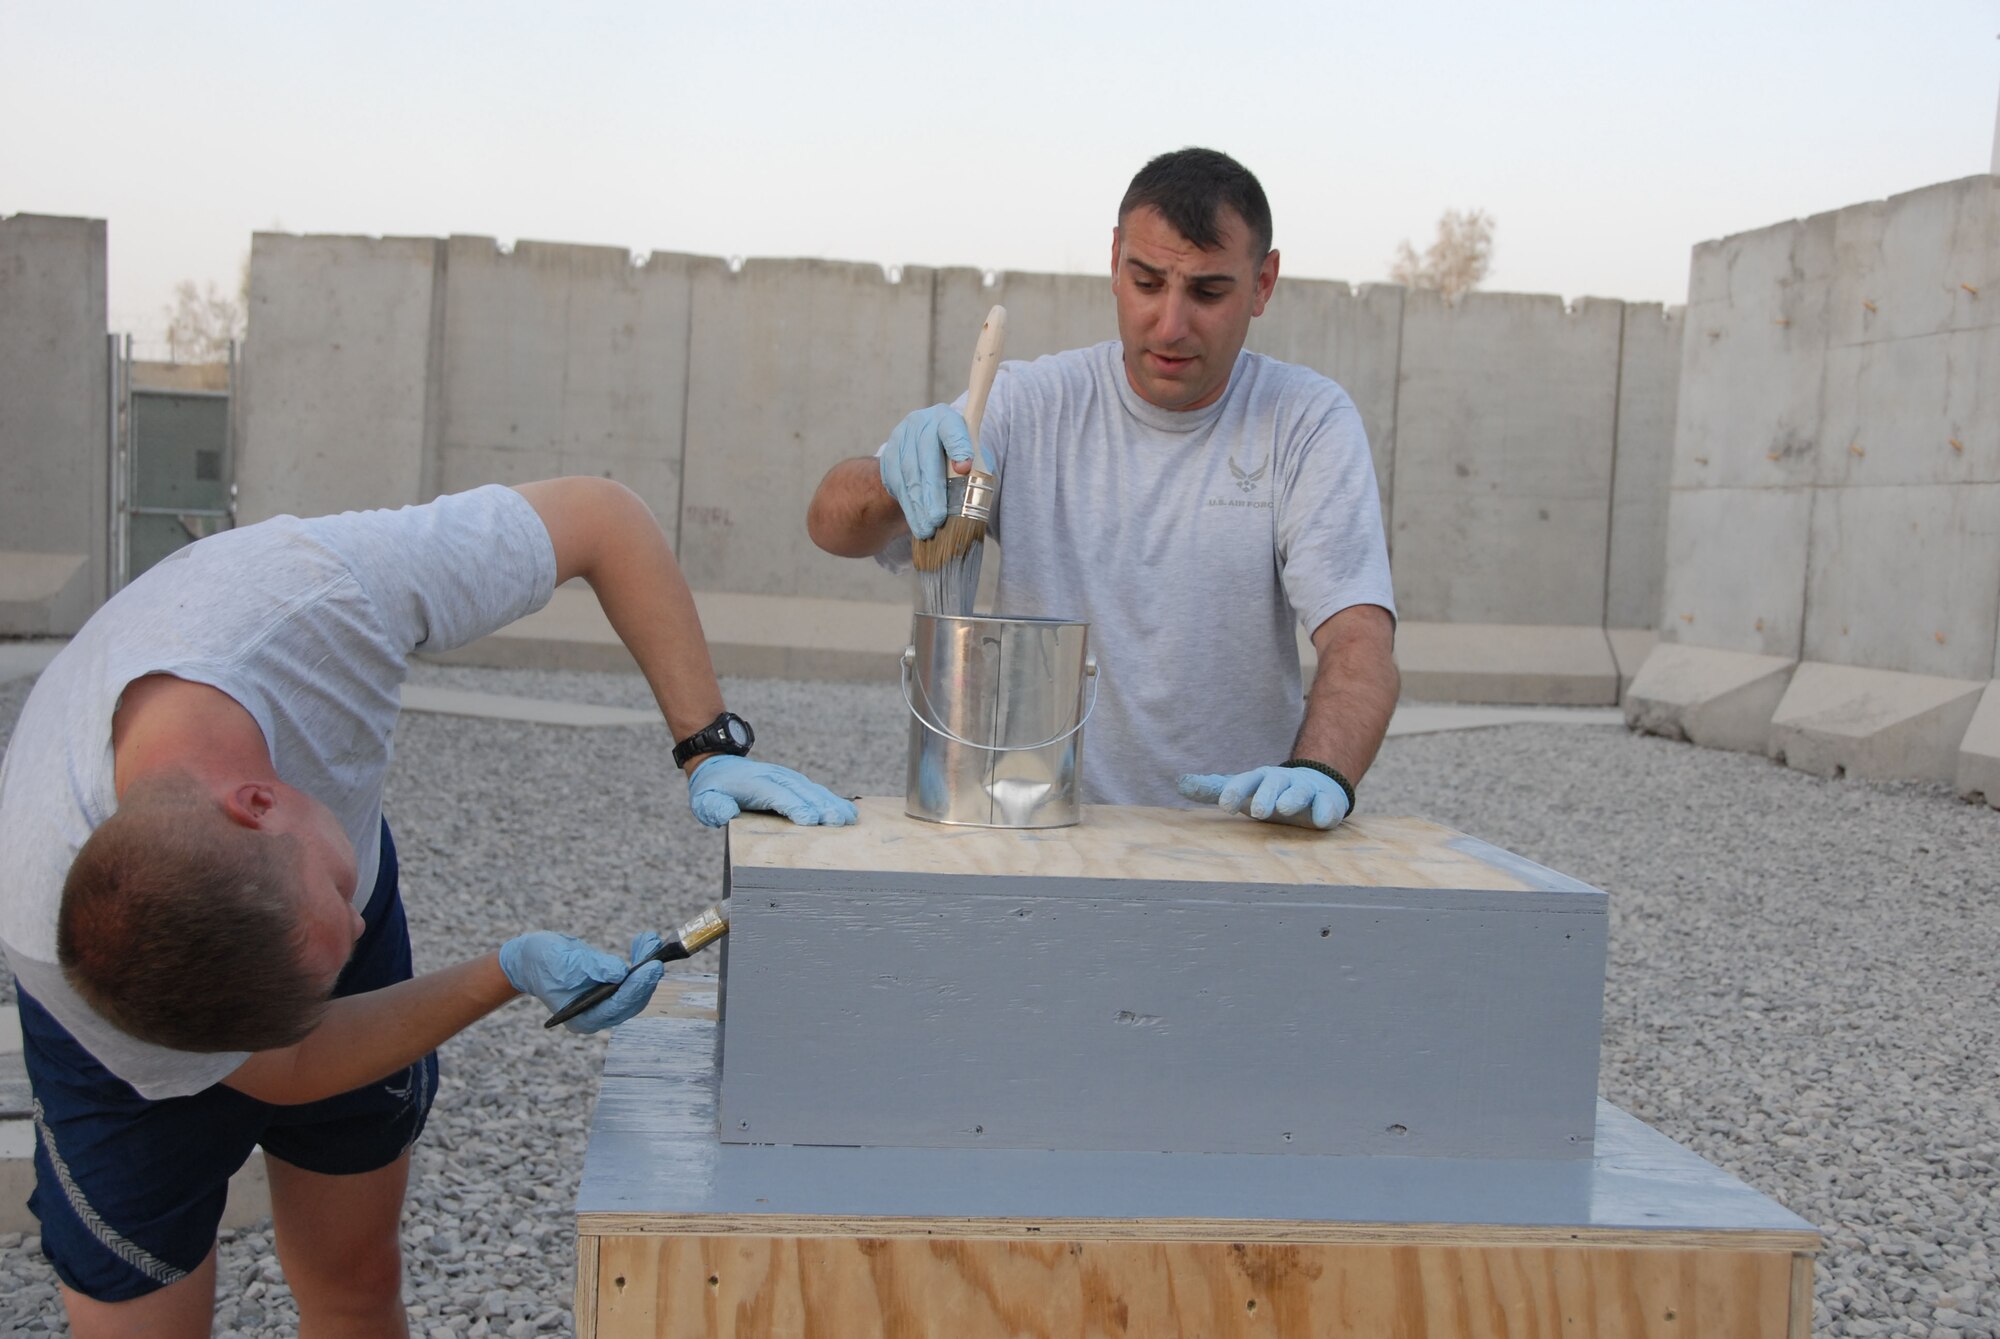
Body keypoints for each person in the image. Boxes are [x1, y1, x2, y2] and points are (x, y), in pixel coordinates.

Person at [0, 476, 856, 1335]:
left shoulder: (322, 597)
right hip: (122, 1060)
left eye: (340, 903)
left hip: (265, 904)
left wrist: (705, 747)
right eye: (344, 907)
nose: (357, 929)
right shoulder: (67, 938)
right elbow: (290, 1067)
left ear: (259, 801)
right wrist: (496, 969)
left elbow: (603, 519)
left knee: (355, 1279)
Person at [808, 147, 1399, 829]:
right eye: (1147, 282)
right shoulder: (1028, 404)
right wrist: (893, 481)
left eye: (1208, 292)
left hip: (1238, 835)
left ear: (1263, 283)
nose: (1170, 325)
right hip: (1042, 828)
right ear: (1115, 261)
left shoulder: (1305, 421)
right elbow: (830, 524)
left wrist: (1320, 770)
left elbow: (1359, 640)